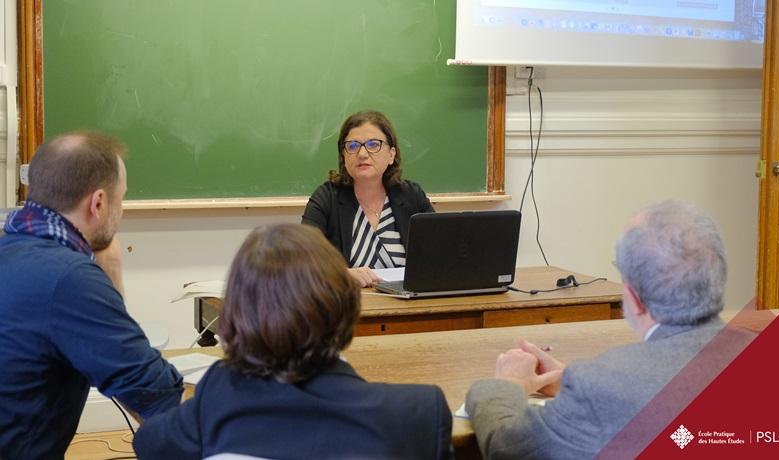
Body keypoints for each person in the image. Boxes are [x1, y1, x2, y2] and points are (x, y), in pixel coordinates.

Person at [133, 224, 453, 460]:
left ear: (237, 313)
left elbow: (149, 444)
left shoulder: (217, 394)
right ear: (346, 305)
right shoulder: (418, 413)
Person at [466, 201, 736, 459]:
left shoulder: (601, 386)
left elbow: (509, 448)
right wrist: (571, 383)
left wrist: (509, 384)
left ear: (633, 297)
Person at [0, 132, 183, 459]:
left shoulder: (11, 251)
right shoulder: (69, 279)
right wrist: (110, 270)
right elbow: (156, 394)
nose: (121, 210)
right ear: (98, 203)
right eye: (121, 199)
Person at [302, 110, 434, 287]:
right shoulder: (327, 198)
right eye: (353, 146)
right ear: (343, 156)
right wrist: (341, 275)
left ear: (391, 155)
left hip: (409, 304)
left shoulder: (412, 196)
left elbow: (438, 255)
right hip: (351, 306)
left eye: (374, 144)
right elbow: (302, 259)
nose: (362, 154)